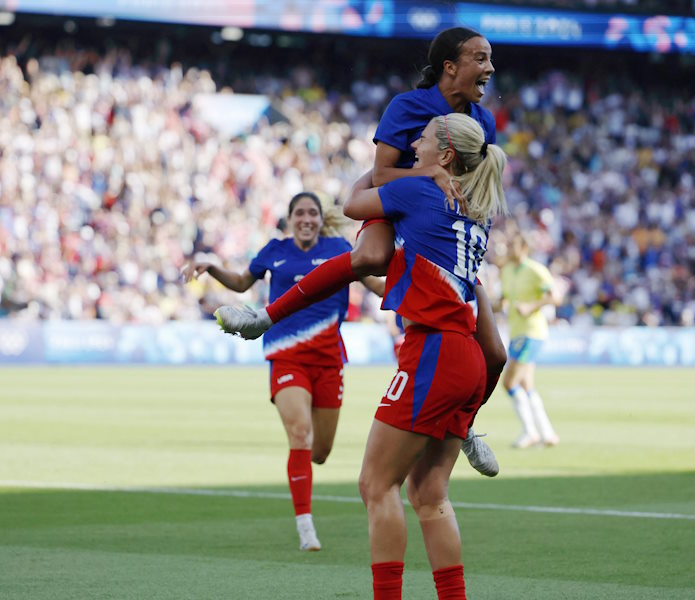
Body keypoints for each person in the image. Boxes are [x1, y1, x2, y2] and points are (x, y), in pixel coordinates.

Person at [216, 27, 505, 478]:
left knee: (496, 354)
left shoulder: (482, 122)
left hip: (445, 232)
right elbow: (381, 174)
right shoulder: (407, 108)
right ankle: (264, 319)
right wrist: (428, 175)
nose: (490, 68)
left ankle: (465, 425)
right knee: (369, 257)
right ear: (450, 66)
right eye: (481, 58)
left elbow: (479, 181)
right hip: (398, 203)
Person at [344, 112, 507, 600]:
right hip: (468, 361)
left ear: (446, 154)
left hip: (433, 351)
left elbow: (354, 204)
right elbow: (494, 348)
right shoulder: (473, 210)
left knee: (377, 485)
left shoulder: (420, 191)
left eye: (423, 138)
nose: (413, 143)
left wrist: (386, 164)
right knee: (430, 495)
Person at [184, 192, 383, 551]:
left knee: (320, 451)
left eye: (312, 213)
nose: (306, 219)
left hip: (329, 361)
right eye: (299, 213)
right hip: (286, 357)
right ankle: (306, 526)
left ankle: (306, 496)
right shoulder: (274, 250)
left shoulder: (340, 247)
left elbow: (376, 283)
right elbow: (243, 282)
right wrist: (211, 266)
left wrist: (415, 282)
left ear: (321, 220)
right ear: (290, 219)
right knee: (300, 434)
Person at [497, 232, 561, 449]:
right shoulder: (506, 271)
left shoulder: (536, 270)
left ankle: (530, 431)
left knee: (509, 383)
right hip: (516, 332)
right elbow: (503, 300)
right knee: (526, 385)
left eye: (513, 244)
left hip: (532, 332)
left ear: (524, 248)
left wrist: (531, 306)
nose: (509, 249)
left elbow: (555, 296)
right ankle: (548, 433)